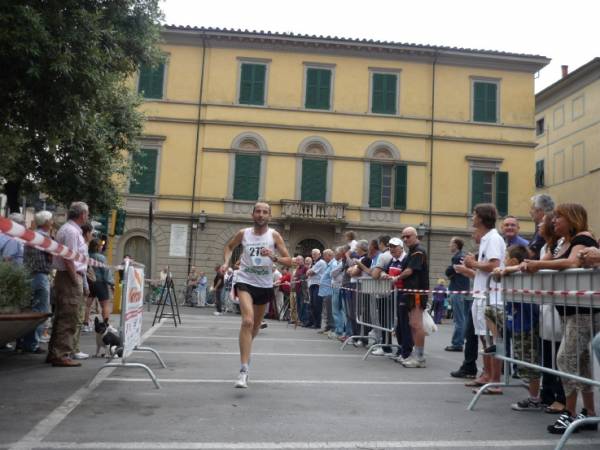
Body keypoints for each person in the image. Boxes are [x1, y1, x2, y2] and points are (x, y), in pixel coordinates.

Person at [521, 203, 599, 434]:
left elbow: (573, 263)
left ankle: (570, 412)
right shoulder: (561, 243)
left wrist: (538, 264)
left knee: (565, 359)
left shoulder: (583, 238)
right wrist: (513, 269)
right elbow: (540, 263)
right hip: (569, 310)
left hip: (583, 311)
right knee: (580, 362)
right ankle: (589, 413)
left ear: (572, 218)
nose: (553, 221)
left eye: (559, 217)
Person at [222, 202, 291, 388]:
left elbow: (289, 261)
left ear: (269, 216)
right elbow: (229, 247)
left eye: (265, 212)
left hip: (264, 284)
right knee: (247, 321)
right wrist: (226, 263)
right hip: (245, 280)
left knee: (254, 327)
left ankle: (246, 350)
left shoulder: (274, 235)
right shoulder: (243, 233)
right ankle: (243, 370)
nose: (261, 214)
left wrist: (273, 257)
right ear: (252, 215)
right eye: (258, 211)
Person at [46, 202, 90, 367]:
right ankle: (61, 355)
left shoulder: (68, 229)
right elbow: (69, 258)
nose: (87, 216)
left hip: (65, 275)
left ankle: (55, 352)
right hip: (69, 276)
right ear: (82, 215)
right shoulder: (72, 231)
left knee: (62, 316)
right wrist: (75, 280)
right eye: (87, 214)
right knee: (69, 317)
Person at [392, 227, 429, 368]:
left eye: (408, 236)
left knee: (416, 324)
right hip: (410, 292)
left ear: (416, 236)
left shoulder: (418, 251)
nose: (405, 239)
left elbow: (409, 271)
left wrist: (396, 278)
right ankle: (416, 355)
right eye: (403, 237)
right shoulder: (412, 251)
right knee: (413, 324)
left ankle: (419, 358)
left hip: (417, 292)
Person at [19, 211, 54, 353]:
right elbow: (51, 257)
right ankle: (32, 344)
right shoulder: (45, 238)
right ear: (46, 222)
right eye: (51, 220)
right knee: (40, 311)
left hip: (28, 275)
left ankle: (23, 341)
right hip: (41, 276)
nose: (52, 222)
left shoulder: (31, 235)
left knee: (29, 310)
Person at [445, 237, 470, 352]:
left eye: (450, 244)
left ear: (456, 245)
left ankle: (457, 343)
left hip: (457, 289)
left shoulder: (457, 257)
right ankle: (461, 341)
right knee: (464, 317)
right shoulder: (462, 256)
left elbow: (450, 272)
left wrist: (450, 271)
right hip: (464, 289)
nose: (449, 246)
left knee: (459, 318)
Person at [87, 238, 114, 322]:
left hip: (89, 282)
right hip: (100, 283)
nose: (102, 247)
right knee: (105, 305)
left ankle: (85, 323)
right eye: (101, 245)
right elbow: (106, 271)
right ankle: (105, 323)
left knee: (87, 304)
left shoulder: (86, 255)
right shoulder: (101, 257)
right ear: (97, 247)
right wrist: (111, 283)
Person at [528, 194, 555, 259]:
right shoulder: (539, 228)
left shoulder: (545, 229)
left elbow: (531, 253)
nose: (530, 212)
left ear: (540, 210)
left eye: (532, 208)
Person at [306, 249, 326, 329]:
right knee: (312, 305)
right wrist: (309, 271)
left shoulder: (321, 262)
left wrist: (309, 271)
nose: (313, 256)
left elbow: (311, 272)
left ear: (319, 254)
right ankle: (313, 322)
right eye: (312, 254)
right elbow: (307, 273)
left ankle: (317, 324)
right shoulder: (315, 263)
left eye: (315, 254)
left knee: (317, 305)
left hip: (318, 285)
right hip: (312, 285)